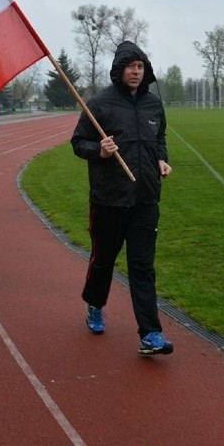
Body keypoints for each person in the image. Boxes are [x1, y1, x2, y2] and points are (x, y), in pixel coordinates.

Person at [71, 41, 174, 356]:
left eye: (140, 66)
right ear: (119, 70)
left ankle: (150, 334)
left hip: (145, 199)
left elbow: (159, 138)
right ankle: (94, 304)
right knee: (103, 261)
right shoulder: (99, 104)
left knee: (142, 266)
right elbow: (78, 143)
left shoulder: (153, 105)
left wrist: (161, 159)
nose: (136, 71)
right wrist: (99, 151)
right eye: (131, 66)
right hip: (109, 201)